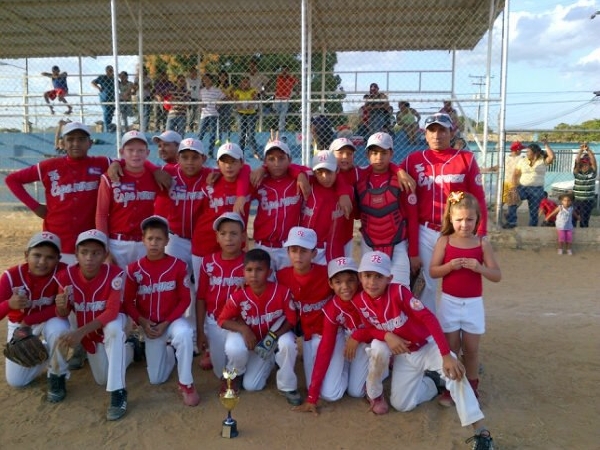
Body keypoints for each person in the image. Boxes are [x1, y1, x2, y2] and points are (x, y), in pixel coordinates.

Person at [353, 251, 495, 449]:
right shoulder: (359, 301)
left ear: (389, 278)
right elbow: (369, 328)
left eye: (379, 276)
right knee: (402, 405)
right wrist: (386, 335)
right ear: (360, 277)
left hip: (427, 346)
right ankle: (432, 383)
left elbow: (429, 319)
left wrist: (446, 354)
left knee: (454, 372)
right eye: (367, 275)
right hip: (405, 356)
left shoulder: (399, 292)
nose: (372, 282)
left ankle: (481, 433)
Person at [400, 113, 487, 314]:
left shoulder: (466, 159)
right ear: (425, 134)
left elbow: (479, 198)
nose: (437, 135)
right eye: (432, 130)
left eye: (442, 130)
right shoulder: (413, 160)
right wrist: (399, 171)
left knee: (459, 280)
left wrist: (481, 232)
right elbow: (388, 169)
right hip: (425, 231)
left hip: (457, 231)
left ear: (451, 132)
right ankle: (429, 330)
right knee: (425, 285)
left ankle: (457, 326)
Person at [429, 191, 501, 406]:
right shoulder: (444, 241)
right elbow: (433, 271)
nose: (464, 224)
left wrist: (479, 268)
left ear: (477, 219)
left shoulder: (482, 244)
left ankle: (472, 388)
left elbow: (496, 275)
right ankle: (452, 389)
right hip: (450, 303)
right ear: (451, 219)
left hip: (473, 305)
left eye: (470, 219)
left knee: (471, 349)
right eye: (459, 219)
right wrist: (449, 267)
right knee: (452, 349)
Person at [5, 122, 112, 264]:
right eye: (70, 139)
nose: (76, 143)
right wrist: (35, 207)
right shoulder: (49, 166)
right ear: (62, 143)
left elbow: (130, 164)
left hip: (89, 242)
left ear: (90, 143)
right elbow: (12, 180)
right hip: (57, 240)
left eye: (81, 139)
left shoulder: (102, 163)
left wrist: (117, 164)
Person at [54, 229, 133, 420]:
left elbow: (111, 312)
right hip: (91, 333)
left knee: (113, 329)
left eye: (96, 253)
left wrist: (79, 333)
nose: (89, 258)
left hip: (112, 323)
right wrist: (61, 307)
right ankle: (131, 349)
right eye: (84, 252)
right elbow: (63, 313)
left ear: (105, 255)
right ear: (76, 254)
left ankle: (118, 392)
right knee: (102, 378)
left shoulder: (115, 274)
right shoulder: (66, 276)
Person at [123, 215, 200, 406]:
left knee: (184, 333)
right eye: (150, 238)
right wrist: (142, 322)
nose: (154, 243)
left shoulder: (178, 265)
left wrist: (167, 322)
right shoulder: (133, 269)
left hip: (172, 321)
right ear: (143, 240)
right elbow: (128, 302)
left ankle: (186, 383)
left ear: (167, 241)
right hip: (149, 325)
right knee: (156, 379)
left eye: (159, 239)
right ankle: (169, 353)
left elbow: (185, 299)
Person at [217, 248, 301, 405]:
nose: (253, 275)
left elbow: (292, 320)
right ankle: (235, 374)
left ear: (269, 272)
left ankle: (287, 385)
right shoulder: (239, 294)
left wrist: (274, 337)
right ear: (243, 272)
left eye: (259, 270)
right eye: (249, 270)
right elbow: (222, 320)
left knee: (253, 385)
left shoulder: (281, 291)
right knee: (235, 348)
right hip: (248, 338)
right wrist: (244, 329)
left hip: (270, 338)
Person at [277, 227, 347, 404]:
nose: (298, 256)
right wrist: (243, 282)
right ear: (288, 252)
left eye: (304, 251)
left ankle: (346, 364)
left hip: (331, 333)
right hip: (309, 336)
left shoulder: (327, 273)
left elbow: (351, 288)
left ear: (314, 253)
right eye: (294, 250)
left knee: (331, 394)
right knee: (313, 387)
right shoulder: (282, 276)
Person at [293, 256, 371, 415]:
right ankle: (348, 365)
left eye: (350, 280)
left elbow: (382, 327)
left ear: (358, 280)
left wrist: (358, 336)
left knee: (356, 392)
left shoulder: (368, 295)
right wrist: (312, 397)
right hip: (354, 341)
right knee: (330, 393)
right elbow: (325, 348)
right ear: (330, 284)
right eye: (338, 282)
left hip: (374, 342)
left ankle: (379, 377)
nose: (345, 287)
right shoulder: (332, 307)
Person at [0, 232, 70, 401]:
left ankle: (57, 375)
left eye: (50, 257)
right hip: (19, 326)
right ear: (26, 255)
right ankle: (51, 349)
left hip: (47, 320)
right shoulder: (11, 276)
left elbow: (62, 309)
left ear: (58, 259)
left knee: (59, 329)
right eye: (37, 255)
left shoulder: (64, 272)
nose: (42, 262)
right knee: (17, 381)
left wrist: (28, 320)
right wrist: (9, 304)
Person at [356, 132, 419, 286]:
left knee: (400, 290)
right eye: (374, 153)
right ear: (367, 154)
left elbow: (413, 218)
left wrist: (413, 253)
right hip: (369, 243)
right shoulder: (359, 177)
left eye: (384, 153)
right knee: (371, 290)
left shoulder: (402, 181)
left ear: (391, 154)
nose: (379, 157)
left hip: (397, 243)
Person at [96, 131, 158, 269]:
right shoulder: (110, 177)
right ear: (122, 152)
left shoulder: (154, 177)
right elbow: (101, 215)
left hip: (145, 243)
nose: (136, 154)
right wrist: (104, 249)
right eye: (130, 150)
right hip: (117, 244)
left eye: (140, 150)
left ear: (147, 153)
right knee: (117, 282)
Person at [196, 212, 246, 379]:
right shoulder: (208, 261)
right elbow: (201, 298)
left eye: (234, 233)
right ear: (217, 237)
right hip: (214, 321)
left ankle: (237, 374)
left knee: (236, 352)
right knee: (219, 373)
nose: (228, 238)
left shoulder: (250, 263)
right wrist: (200, 331)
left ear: (243, 236)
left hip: (238, 323)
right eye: (223, 234)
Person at [251, 139, 304, 271]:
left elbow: (317, 172)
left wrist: (298, 173)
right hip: (263, 246)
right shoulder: (259, 180)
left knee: (287, 282)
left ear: (289, 160)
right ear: (265, 161)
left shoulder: (298, 180)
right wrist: (263, 169)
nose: (276, 163)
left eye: (281, 158)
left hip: (288, 247)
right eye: (271, 159)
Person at [300, 150, 353, 264]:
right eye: (320, 172)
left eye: (329, 172)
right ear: (314, 173)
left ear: (337, 170)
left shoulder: (346, 192)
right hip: (306, 248)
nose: (325, 177)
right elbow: (293, 168)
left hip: (333, 249)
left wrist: (343, 192)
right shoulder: (308, 184)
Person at [505, 139, 555, 228]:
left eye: (528, 151)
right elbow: (515, 174)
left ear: (535, 152)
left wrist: (546, 144)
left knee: (534, 211)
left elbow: (551, 156)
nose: (526, 153)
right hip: (523, 187)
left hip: (537, 189)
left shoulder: (542, 160)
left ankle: (532, 227)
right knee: (512, 199)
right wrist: (513, 187)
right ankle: (511, 222)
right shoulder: (523, 160)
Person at [198, 74, 225, 157]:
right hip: (204, 114)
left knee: (212, 134)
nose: (206, 81)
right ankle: (197, 151)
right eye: (204, 79)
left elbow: (224, 97)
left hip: (213, 114)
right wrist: (200, 105)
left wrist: (219, 104)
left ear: (211, 80)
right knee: (200, 133)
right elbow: (200, 101)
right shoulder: (201, 91)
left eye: (208, 79)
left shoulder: (217, 90)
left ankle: (210, 152)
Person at [233, 76, 260, 158]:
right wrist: (239, 106)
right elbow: (236, 100)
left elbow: (255, 99)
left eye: (247, 82)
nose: (245, 83)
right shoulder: (237, 91)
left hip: (251, 113)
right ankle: (240, 152)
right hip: (241, 113)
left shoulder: (253, 90)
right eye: (244, 81)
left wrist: (251, 105)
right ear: (241, 83)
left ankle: (255, 152)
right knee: (242, 134)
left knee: (251, 134)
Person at [572, 144, 597, 228]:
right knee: (573, 218)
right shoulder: (577, 173)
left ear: (590, 165)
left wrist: (588, 150)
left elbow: (594, 161)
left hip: (588, 200)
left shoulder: (592, 173)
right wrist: (581, 150)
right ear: (580, 165)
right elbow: (577, 161)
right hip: (577, 199)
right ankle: (572, 232)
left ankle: (584, 231)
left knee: (584, 220)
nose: (585, 166)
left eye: (587, 164)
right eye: (583, 164)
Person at [273, 66, 298, 134]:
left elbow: (297, 84)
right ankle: (276, 125)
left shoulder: (291, 78)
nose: (284, 72)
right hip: (278, 97)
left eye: (286, 71)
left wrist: (297, 89)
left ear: (288, 71)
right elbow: (274, 74)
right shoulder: (279, 77)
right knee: (276, 110)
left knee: (283, 114)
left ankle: (281, 129)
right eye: (283, 71)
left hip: (286, 98)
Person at [91, 65, 116, 132]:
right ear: (106, 71)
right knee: (106, 112)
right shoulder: (102, 77)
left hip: (112, 98)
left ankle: (108, 127)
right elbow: (93, 82)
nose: (111, 72)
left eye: (112, 70)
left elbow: (119, 84)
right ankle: (106, 129)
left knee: (111, 113)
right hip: (104, 98)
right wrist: (98, 88)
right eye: (110, 70)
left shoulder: (114, 79)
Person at [217, 70, 235, 141]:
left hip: (228, 105)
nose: (222, 78)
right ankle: (219, 138)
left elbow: (233, 96)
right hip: (219, 105)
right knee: (219, 122)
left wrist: (227, 98)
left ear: (226, 77)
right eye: (220, 76)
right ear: (218, 77)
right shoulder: (216, 86)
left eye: (224, 76)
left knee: (227, 121)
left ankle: (228, 138)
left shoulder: (230, 86)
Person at [185, 66, 202, 132]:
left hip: (197, 98)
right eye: (192, 72)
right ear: (190, 73)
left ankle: (197, 126)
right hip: (190, 98)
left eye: (195, 72)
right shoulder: (187, 80)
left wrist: (201, 98)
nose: (193, 74)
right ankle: (190, 126)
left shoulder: (199, 80)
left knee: (197, 113)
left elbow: (201, 88)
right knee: (191, 112)